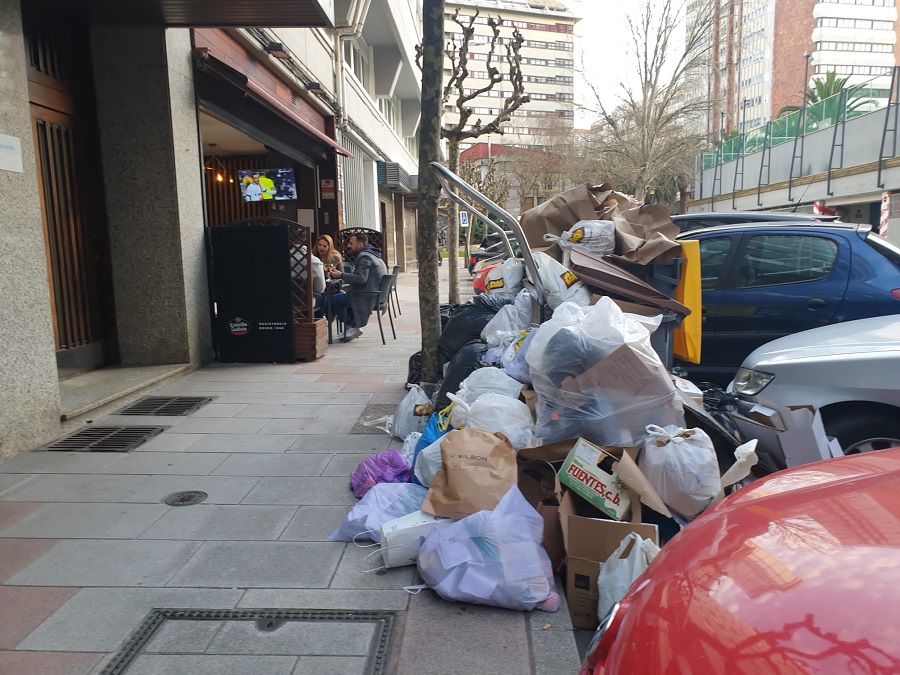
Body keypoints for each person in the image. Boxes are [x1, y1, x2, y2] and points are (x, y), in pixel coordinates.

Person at [328, 233, 387, 342]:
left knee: (334, 299)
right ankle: (353, 324)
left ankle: (352, 325)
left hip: (367, 296)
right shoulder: (374, 254)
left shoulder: (364, 257)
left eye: (351, 243)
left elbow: (361, 279)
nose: (348, 246)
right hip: (377, 295)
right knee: (341, 295)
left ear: (360, 244)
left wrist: (340, 275)